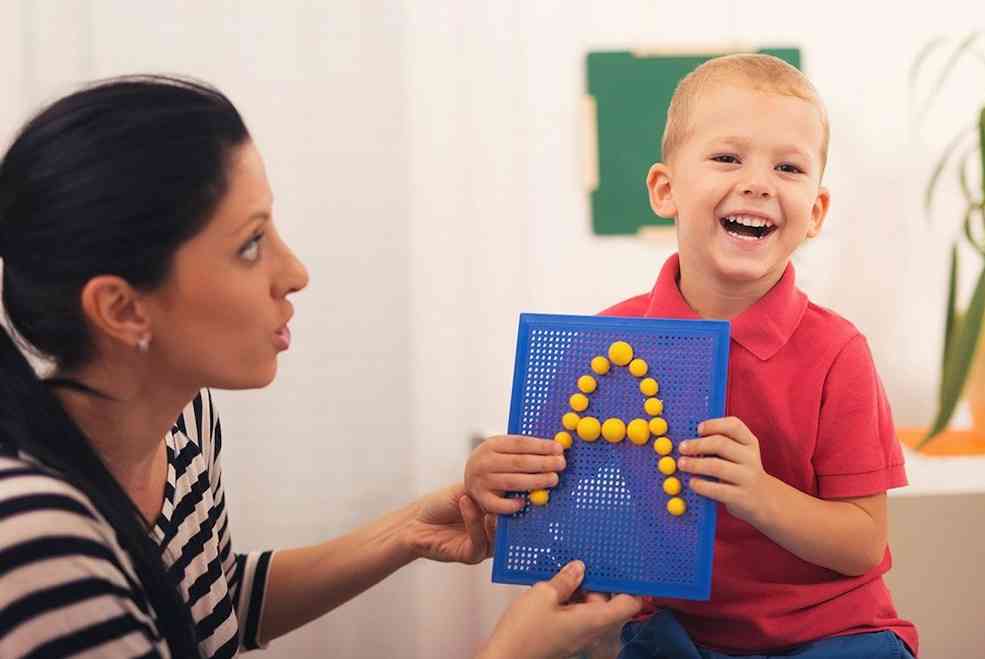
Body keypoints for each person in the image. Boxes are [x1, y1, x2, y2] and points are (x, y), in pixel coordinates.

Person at [0, 75, 638, 658]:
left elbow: (213, 605)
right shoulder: (37, 543)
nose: (295, 273)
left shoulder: (182, 423)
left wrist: (407, 531)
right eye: (250, 244)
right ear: (121, 307)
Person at [467, 54, 918, 658]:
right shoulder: (605, 345)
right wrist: (494, 489)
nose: (758, 182)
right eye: (728, 157)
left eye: (788, 166)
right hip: (676, 636)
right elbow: (553, 513)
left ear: (814, 213)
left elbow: (863, 542)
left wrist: (758, 494)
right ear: (665, 189)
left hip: (832, 636)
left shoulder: (839, 353)